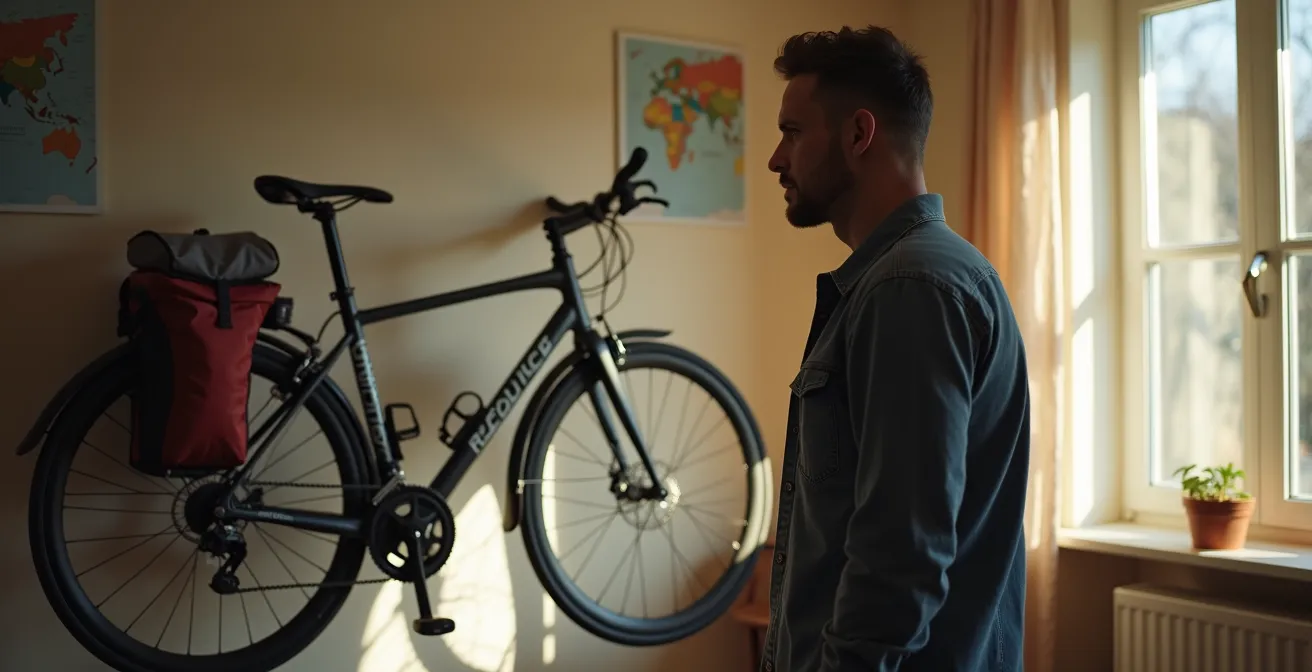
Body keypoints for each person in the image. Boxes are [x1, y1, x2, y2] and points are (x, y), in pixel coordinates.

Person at [759, 26, 1030, 672]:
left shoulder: (911, 289)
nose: (774, 158)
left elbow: (900, 554)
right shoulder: (908, 279)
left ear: (859, 134)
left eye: (793, 132)